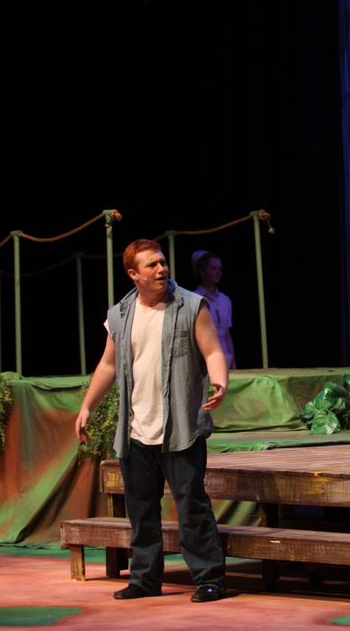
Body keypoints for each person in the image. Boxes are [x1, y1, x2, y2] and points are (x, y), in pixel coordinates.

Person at [74, 239, 229, 603]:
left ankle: (209, 578)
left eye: (162, 262)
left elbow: (212, 350)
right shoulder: (120, 315)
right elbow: (108, 364)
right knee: (141, 508)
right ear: (134, 274)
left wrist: (220, 382)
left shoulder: (191, 305)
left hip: (181, 426)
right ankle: (145, 578)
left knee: (191, 505)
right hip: (136, 428)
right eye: (152, 265)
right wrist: (87, 406)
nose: (161, 269)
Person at [192, 250, 236, 369]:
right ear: (202, 271)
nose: (218, 272)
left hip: (225, 360)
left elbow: (226, 335)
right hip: (204, 363)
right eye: (213, 268)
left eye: (220, 269)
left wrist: (233, 363)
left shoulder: (225, 300)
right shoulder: (194, 299)